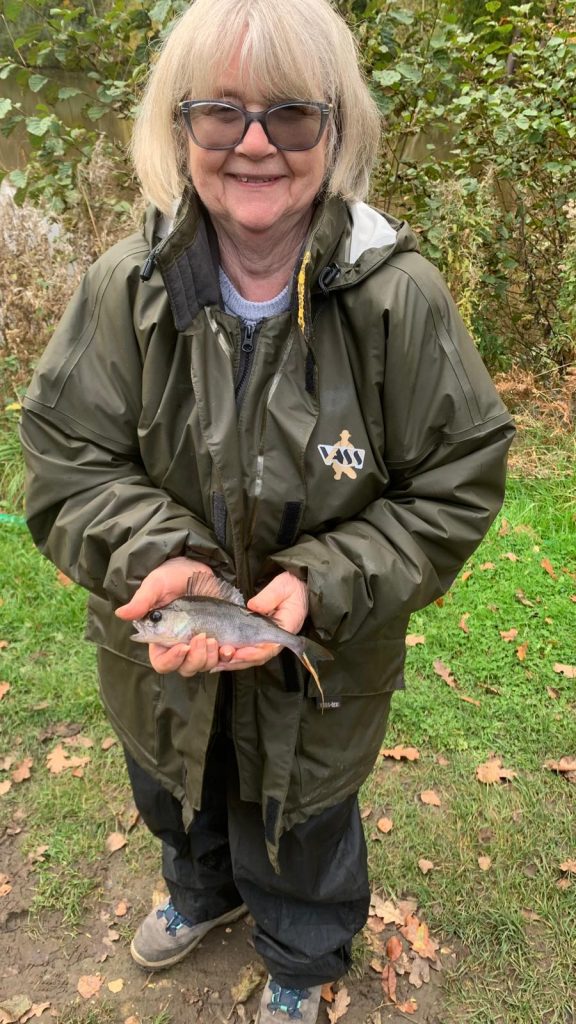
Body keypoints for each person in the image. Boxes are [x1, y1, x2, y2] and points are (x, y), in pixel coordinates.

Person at [20, 0, 515, 1020]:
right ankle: (202, 894)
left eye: (290, 114)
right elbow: (66, 455)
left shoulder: (400, 299)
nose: (253, 143)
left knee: (307, 826)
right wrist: (159, 556)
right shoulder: (123, 287)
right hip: (163, 663)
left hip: (320, 670)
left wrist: (319, 583)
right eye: (220, 112)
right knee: (176, 792)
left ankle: (300, 959)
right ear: (178, 127)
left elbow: (457, 475)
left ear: (337, 129)